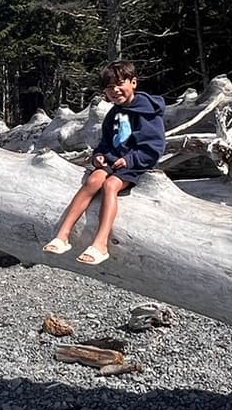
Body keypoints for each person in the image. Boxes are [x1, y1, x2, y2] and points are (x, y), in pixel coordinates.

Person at [42, 60, 166, 266]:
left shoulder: (148, 112)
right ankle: (62, 235)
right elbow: (106, 143)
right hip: (113, 161)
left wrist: (129, 160)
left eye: (120, 84)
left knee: (110, 185)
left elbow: (154, 147)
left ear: (133, 82)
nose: (115, 91)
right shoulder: (113, 113)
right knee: (93, 180)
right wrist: (98, 155)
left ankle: (101, 244)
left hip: (137, 163)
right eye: (109, 88)